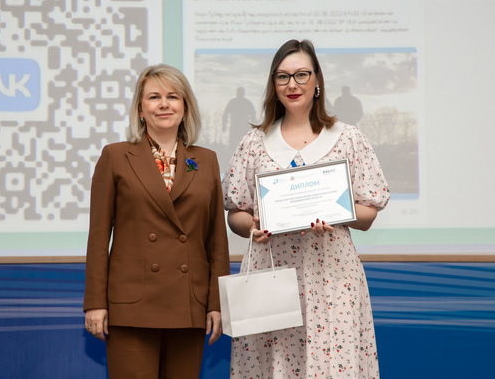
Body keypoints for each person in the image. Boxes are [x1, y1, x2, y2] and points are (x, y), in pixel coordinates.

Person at [223, 40, 390, 378]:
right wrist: (252, 226)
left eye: (301, 74)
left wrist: (336, 214)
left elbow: (369, 214)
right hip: (271, 274)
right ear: (273, 84)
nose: (292, 84)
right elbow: (235, 212)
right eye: (282, 76)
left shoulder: (347, 138)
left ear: (317, 81)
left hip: (332, 276)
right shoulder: (254, 142)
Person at [83, 64, 230, 379]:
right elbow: (98, 238)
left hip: (189, 304)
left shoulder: (206, 160)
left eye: (173, 96)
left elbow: (216, 241)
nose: (164, 104)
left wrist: (218, 303)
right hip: (131, 305)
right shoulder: (115, 156)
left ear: (185, 108)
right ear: (140, 109)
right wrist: (95, 303)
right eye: (154, 97)